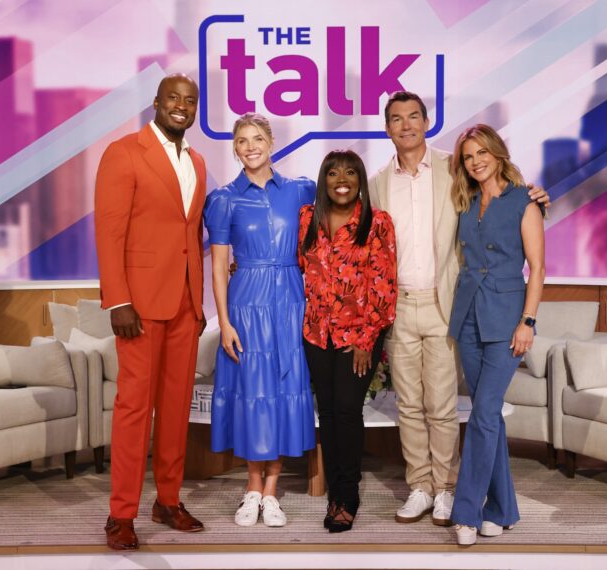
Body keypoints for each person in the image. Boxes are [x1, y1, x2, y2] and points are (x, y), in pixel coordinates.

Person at [367, 91, 550, 526]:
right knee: (407, 404)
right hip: (401, 306)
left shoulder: (454, 166)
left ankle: (448, 489)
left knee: (443, 405)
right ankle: (420, 486)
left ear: (427, 122)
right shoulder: (377, 182)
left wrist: (536, 196)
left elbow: (503, 201)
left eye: (414, 117)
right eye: (396, 119)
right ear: (387, 127)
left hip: (447, 303)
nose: (406, 125)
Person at [94, 73, 207, 550]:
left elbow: (190, 233)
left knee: (177, 407)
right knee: (134, 409)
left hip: (185, 304)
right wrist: (118, 300)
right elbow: (109, 232)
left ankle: (167, 500)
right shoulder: (124, 152)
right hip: (138, 305)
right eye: (173, 98)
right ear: (156, 102)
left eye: (190, 101)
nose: (181, 106)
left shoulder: (198, 161)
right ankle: (121, 514)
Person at [204, 113, 316, 528]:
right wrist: (225, 321)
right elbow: (218, 268)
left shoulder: (301, 190)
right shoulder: (223, 200)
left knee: (283, 389)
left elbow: (347, 206)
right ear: (234, 148)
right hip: (245, 304)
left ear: (271, 142)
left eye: (257, 139)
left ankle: (273, 493)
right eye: (242, 141)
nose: (250, 146)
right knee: (253, 395)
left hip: (290, 299)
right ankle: (252, 488)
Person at [447, 124, 545, 545]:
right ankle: (503, 509)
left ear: (498, 153)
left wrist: (528, 322)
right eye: (468, 156)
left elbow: (538, 269)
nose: (476, 161)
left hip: (507, 318)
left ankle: (466, 513)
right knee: (490, 420)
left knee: (485, 413)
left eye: (482, 153)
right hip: (468, 315)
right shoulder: (464, 201)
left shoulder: (525, 200)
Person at [299, 150, 398, 533]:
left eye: (351, 172)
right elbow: (298, 266)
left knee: (346, 409)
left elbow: (384, 284)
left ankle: (347, 494)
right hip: (316, 333)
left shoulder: (377, 223)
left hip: (359, 336)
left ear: (360, 181)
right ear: (324, 180)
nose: (342, 178)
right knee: (327, 411)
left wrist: (366, 338)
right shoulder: (308, 219)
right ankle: (335, 492)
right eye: (333, 173)